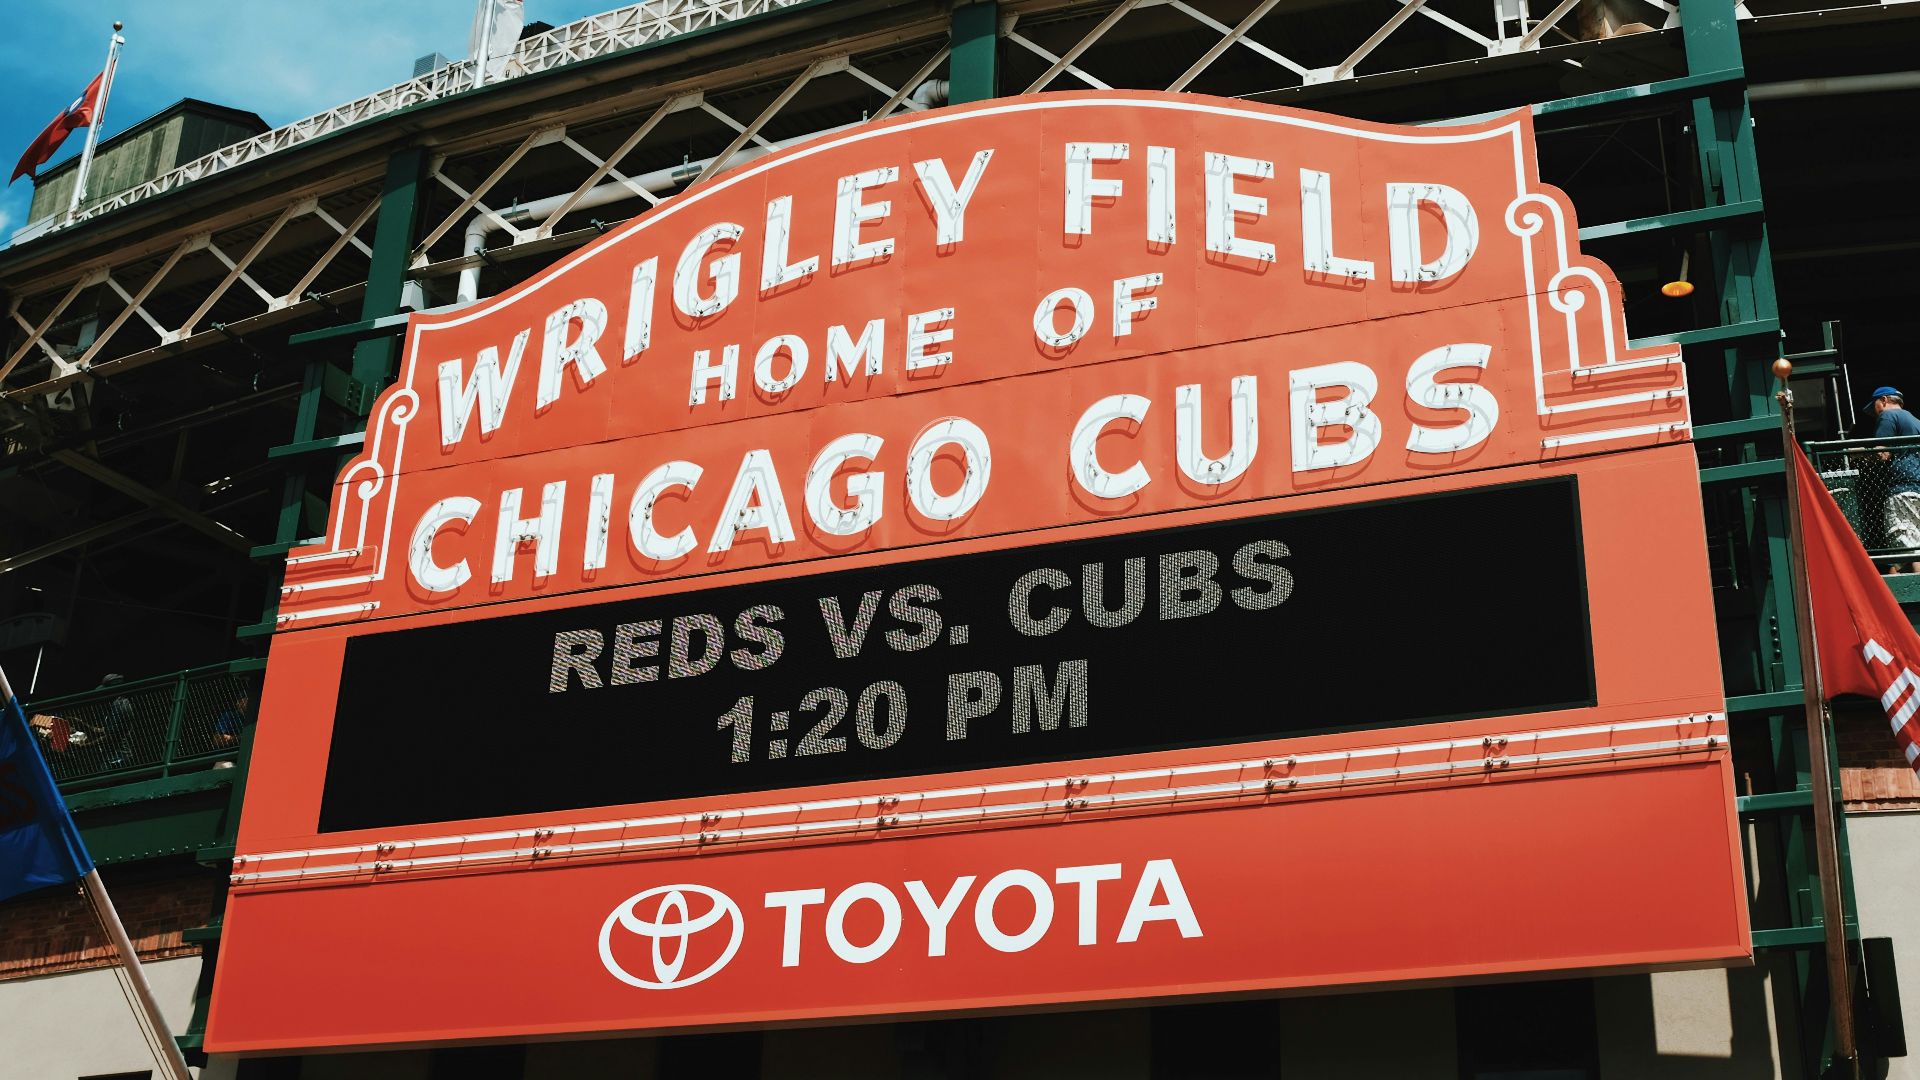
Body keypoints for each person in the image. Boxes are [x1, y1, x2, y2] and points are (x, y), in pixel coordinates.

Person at [1869, 386, 1920, 574]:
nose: (1875, 414)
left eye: (1874, 406)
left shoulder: (1888, 416)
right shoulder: (1915, 420)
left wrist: (1857, 455)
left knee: (1907, 543)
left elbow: (1881, 453)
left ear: (1883, 400)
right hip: (1917, 487)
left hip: (1903, 488)